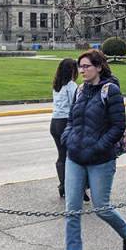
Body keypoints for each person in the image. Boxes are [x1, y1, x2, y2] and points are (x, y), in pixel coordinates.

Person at [56, 49, 126, 250]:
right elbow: (71, 120)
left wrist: (98, 146)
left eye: (86, 66)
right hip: (75, 158)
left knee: (101, 207)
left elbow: (118, 126)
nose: (82, 70)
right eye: (80, 66)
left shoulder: (111, 91)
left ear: (99, 67)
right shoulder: (80, 90)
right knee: (72, 210)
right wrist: (68, 139)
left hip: (100, 159)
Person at [49, 58, 78, 197]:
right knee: (71, 155)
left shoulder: (57, 85)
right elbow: (75, 104)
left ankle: (62, 184)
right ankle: (71, 185)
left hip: (54, 122)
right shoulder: (71, 85)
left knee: (61, 155)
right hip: (65, 121)